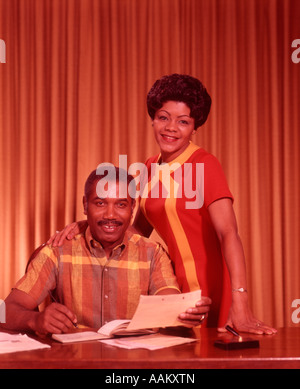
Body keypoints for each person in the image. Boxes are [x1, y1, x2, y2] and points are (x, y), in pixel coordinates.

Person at [48, 74, 276, 335]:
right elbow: (135, 233)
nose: (171, 128)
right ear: (153, 118)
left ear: (194, 127)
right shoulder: (148, 167)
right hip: (173, 286)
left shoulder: (205, 164)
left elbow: (229, 234)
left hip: (212, 286)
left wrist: (240, 301)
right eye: (164, 117)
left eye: (183, 121)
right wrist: (85, 225)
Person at [0, 166, 210, 335]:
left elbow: (169, 300)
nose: (110, 215)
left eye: (120, 205)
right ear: (85, 205)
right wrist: (35, 320)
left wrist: (185, 312)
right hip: (75, 364)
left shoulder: (152, 253)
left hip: (135, 366)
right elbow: (5, 312)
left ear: (132, 208)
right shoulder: (58, 251)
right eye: (100, 203)